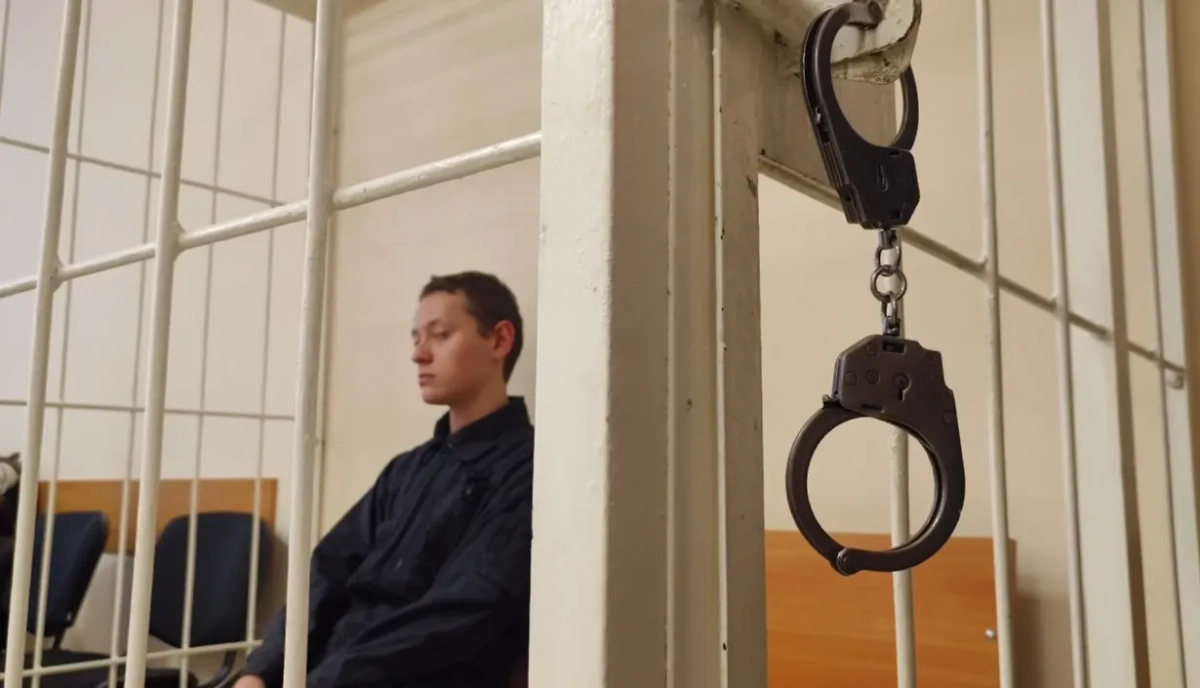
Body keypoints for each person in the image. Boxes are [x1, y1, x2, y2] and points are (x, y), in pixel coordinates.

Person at [236, 271, 534, 688]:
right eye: (416, 338)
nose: (419, 354)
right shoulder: (406, 470)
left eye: (440, 335)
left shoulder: (529, 467)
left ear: (499, 341)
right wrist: (262, 671)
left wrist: (323, 680)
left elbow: (467, 607)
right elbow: (327, 574)